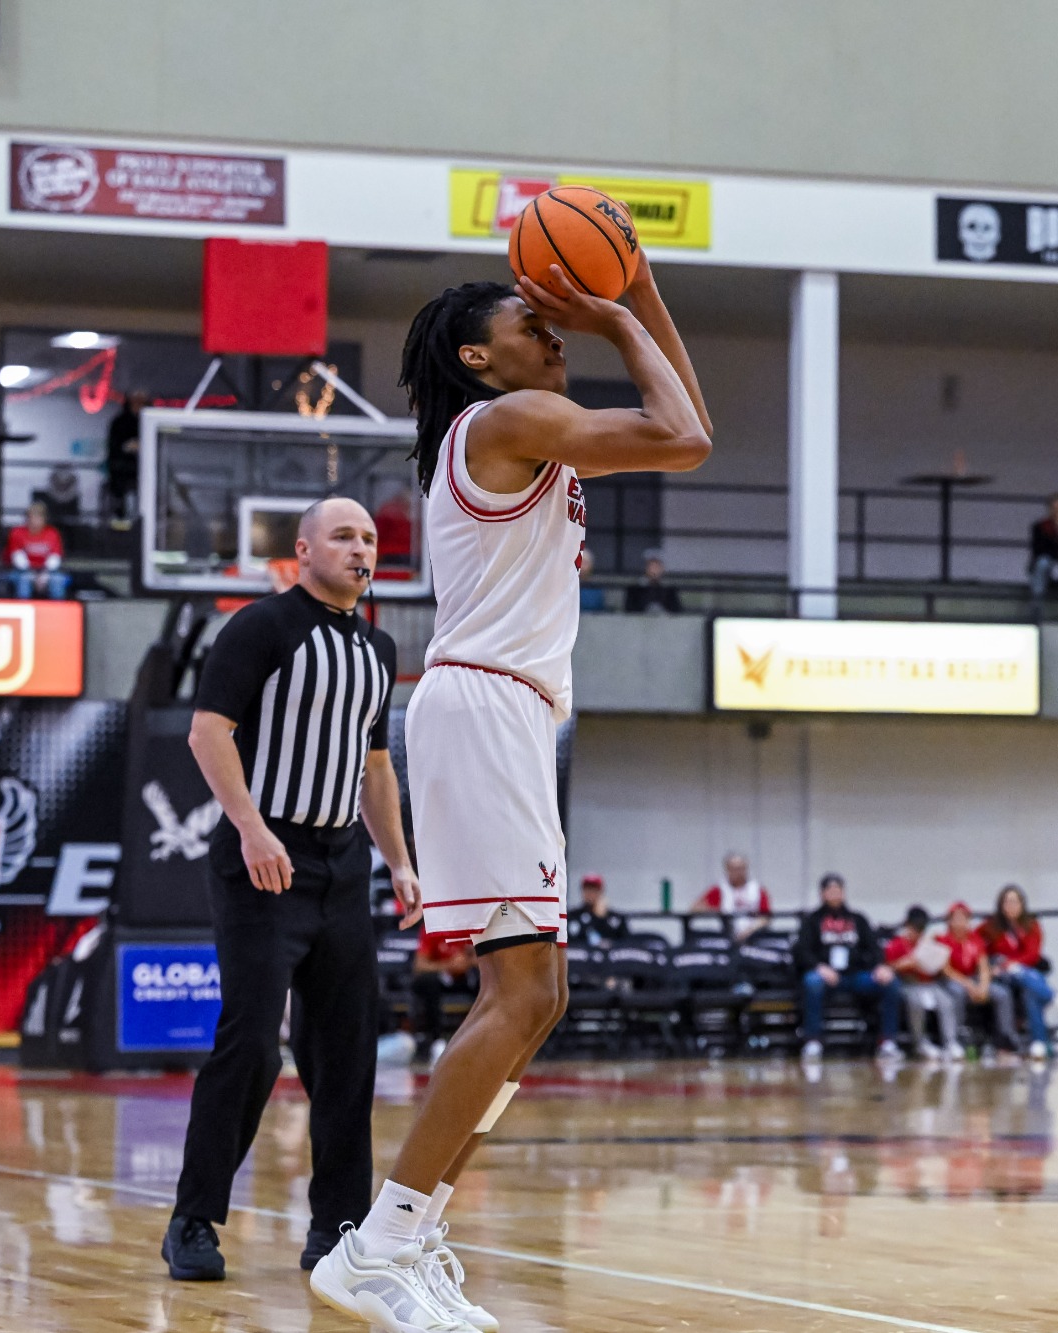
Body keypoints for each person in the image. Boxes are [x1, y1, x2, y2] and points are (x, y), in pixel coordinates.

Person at [315, 252, 712, 1330]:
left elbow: (681, 421)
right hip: (483, 706)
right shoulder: (502, 421)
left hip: (510, 713)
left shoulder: (516, 427)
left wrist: (641, 296)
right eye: (533, 322)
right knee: (521, 996)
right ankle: (379, 1243)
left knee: (539, 999)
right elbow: (685, 436)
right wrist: (623, 314)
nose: (555, 333)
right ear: (475, 355)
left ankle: (413, 1225)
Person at [163, 498, 416, 1285]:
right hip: (263, 860)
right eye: (343, 535)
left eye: (370, 538)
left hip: (342, 867)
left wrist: (400, 862)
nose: (360, 548)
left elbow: (375, 770)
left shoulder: (379, 646)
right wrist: (250, 825)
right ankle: (193, 1221)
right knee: (251, 1045)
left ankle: (337, 1230)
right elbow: (209, 731)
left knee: (346, 1056)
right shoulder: (260, 626)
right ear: (303, 548)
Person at [793, 873, 901, 1063]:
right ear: (822, 893)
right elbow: (802, 951)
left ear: (843, 893)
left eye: (838, 890)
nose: (834, 894)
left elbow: (874, 947)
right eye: (830, 890)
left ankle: (887, 1041)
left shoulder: (857, 919)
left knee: (890, 983)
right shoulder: (812, 920)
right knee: (812, 982)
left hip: (856, 975)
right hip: (827, 976)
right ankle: (813, 1041)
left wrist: (880, 967)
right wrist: (820, 967)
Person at [982, 884, 1055, 1059]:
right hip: (1000, 975)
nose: (1011, 906)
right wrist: (990, 968)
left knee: (1030, 988)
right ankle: (1054, 996)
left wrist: (1011, 964)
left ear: (1022, 904)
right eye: (1007, 902)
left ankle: (1039, 1043)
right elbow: (976, 947)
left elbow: (1032, 955)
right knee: (1027, 979)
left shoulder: (1032, 925)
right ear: (1001, 905)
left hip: (1024, 973)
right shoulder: (990, 926)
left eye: (1015, 902)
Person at [937, 900, 1016, 1059]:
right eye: (956, 918)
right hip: (953, 980)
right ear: (950, 921)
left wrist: (983, 986)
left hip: (973, 978)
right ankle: (956, 1039)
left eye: (964, 918)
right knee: (957, 994)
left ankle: (1006, 1039)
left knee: (1002, 994)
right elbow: (946, 970)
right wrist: (969, 986)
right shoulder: (943, 940)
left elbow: (983, 966)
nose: (960, 922)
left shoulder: (975, 939)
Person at [883, 905, 957, 1059]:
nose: (917, 934)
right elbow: (887, 968)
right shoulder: (896, 944)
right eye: (914, 929)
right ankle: (920, 1043)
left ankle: (950, 1042)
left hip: (930, 983)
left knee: (946, 1001)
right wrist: (902, 964)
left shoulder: (931, 942)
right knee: (915, 1003)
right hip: (909, 983)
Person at [410, 936, 477, 1066]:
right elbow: (419, 965)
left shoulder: (472, 924)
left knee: (489, 978)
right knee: (427, 982)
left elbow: (487, 958)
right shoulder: (432, 926)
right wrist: (449, 965)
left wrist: (468, 960)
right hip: (442, 977)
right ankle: (436, 1040)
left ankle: (486, 1039)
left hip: (468, 976)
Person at [690, 852, 773, 940]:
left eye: (741, 868)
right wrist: (716, 909)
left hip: (754, 936)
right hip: (725, 935)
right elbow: (694, 908)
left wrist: (749, 930)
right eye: (734, 869)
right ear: (727, 870)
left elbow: (766, 917)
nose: (738, 872)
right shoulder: (720, 889)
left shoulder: (757, 889)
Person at [3, 499, 69, 599]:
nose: (35, 520)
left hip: (48, 572)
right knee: (24, 579)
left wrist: (44, 575)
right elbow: (18, 560)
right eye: (32, 517)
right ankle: (23, 610)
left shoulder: (52, 533)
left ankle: (58, 611)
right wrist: (33, 576)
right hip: (22, 571)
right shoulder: (17, 532)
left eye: (39, 517)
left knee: (57, 579)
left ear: (44, 519)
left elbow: (55, 558)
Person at [106, 389, 148, 520]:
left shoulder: (147, 422)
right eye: (136, 402)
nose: (138, 406)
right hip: (121, 471)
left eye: (141, 403)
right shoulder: (119, 423)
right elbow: (114, 447)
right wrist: (128, 447)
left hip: (143, 473)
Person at [565, 874, 630, 946]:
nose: (590, 893)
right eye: (587, 889)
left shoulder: (616, 918)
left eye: (594, 890)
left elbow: (625, 944)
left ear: (601, 892)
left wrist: (601, 918)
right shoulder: (572, 916)